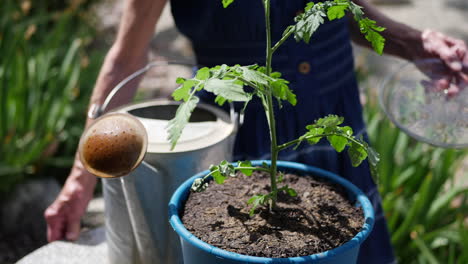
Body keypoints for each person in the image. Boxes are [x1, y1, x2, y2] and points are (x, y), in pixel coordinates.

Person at [44, 0, 467, 263]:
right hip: (243, 135)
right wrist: (80, 182)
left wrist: (413, 41)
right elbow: (126, 58)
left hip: (332, 112)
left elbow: (339, 6)